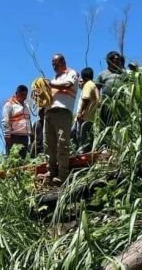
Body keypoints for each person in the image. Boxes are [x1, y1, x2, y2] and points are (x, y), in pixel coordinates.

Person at [44, 54, 78, 185]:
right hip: (50, 113)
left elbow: (68, 85)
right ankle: (51, 173)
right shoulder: (55, 78)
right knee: (49, 145)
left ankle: (63, 174)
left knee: (62, 143)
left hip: (63, 112)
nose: (54, 65)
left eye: (56, 62)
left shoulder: (71, 73)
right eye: (52, 63)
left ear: (63, 61)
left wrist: (50, 84)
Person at [1, 85, 32, 159]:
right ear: (16, 93)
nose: (23, 97)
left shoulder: (26, 106)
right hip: (14, 137)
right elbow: (5, 121)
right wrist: (7, 136)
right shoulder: (9, 105)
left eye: (25, 95)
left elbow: (28, 120)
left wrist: (31, 133)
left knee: (22, 160)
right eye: (21, 94)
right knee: (13, 160)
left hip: (25, 137)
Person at [74, 67, 100, 152]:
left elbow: (86, 99)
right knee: (86, 137)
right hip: (91, 117)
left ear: (83, 76)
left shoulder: (88, 85)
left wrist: (80, 113)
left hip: (84, 117)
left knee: (81, 138)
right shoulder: (93, 85)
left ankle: (82, 154)